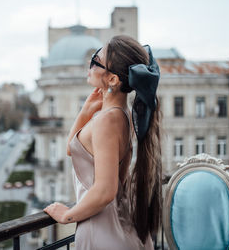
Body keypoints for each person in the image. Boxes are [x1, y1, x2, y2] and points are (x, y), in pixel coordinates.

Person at [43, 35, 162, 250]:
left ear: (113, 80)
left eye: (95, 61)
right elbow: (73, 150)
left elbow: (106, 190)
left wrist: (67, 215)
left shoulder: (108, 120)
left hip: (102, 231)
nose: (89, 66)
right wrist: (85, 111)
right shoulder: (119, 114)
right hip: (114, 225)